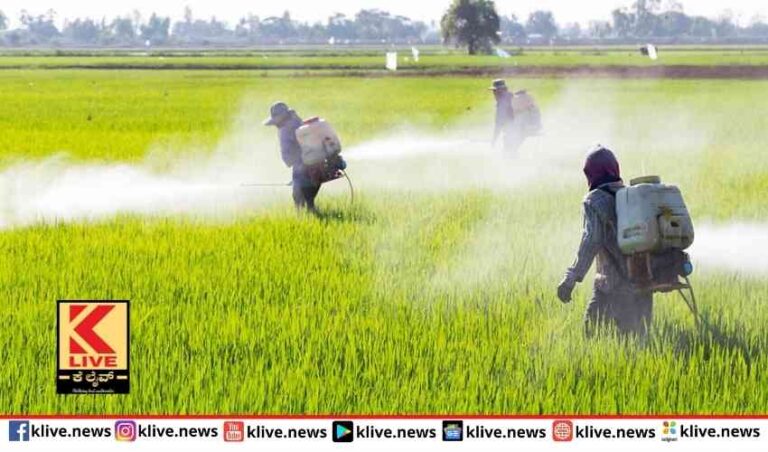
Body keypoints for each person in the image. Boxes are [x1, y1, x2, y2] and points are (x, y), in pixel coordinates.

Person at [556, 146, 653, 337]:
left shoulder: (594, 201)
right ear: (614, 169)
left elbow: (591, 241)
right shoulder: (631, 196)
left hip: (612, 287)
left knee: (591, 336)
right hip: (644, 282)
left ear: (591, 174)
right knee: (640, 344)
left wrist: (570, 279)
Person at [263, 102, 321, 214]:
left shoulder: (286, 129)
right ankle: (310, 213)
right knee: (308, 196)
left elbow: (290, 153)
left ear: (281, 117)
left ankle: (303, 218)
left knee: (299, 197)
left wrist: (298, 176)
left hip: (303, 163)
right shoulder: (297, 121)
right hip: (313, 161)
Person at [489, 79, 525, 156]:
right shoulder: (511, 96)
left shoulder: (502, 103)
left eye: (495, 91)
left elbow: (498, 124)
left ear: (500, 91)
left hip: (515, 130)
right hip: (525, 128)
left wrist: (494, 140)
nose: (494, 93)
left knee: (508, 152)